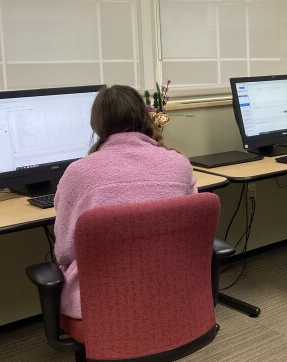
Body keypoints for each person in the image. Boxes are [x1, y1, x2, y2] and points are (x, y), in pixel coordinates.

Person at [53, 85, 196, 320]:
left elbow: (65, 252)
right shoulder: (178, 163)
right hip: (172, 286)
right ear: (144, 116)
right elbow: (189, 231)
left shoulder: (77, 173)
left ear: (97, 125)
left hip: (100, 299)